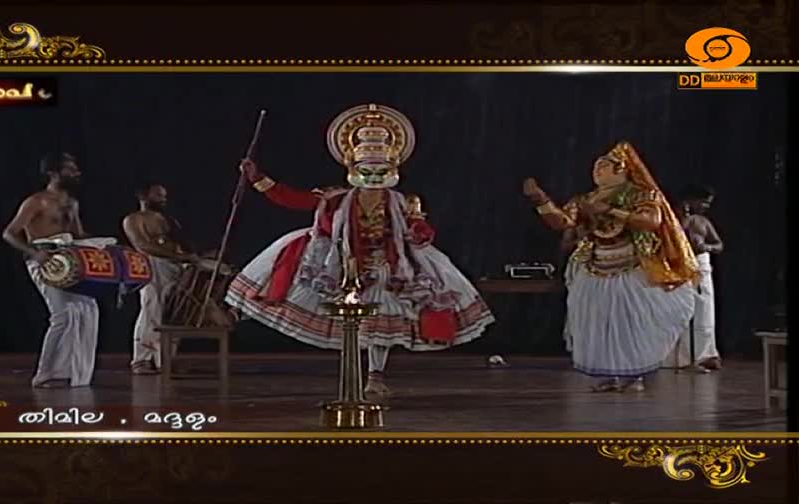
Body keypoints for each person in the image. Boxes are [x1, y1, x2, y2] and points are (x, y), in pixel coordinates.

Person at [225, 104, 495, 398]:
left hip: (387, 264)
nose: (374, 178)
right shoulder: (334, 198)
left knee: (382, 316)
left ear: (393, 170)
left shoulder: (404, 202)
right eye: (367, 171)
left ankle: (375, 375)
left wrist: (418, 233)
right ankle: (238, 314)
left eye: (381, 171)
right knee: (293, 272)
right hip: (338, 261)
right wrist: (257, 178)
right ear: (353, 169)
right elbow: (294, 199)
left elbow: (420, 228)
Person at [523, 141, 698, 392]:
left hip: (634, 267)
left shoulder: (641, 194)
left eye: (603, 165)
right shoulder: (585, 199)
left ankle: (633, 376)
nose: (596, 170)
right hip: (596, 265)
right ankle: (609, 375)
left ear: (622, 168)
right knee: (599, 322)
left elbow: (650, 221)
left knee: (632, 321)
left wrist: (611, 210)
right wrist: (540, 199)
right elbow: (563, 222)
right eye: (595, 166)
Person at [2, 152, 99, 388]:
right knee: (62, 315)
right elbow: (9, 233)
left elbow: (77, 234)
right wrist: (34, 253)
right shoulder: (37, 201)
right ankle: (45, 373)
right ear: (53, 173)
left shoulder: (72, 203)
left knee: (87, 310)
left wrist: (101, 244)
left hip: (71, 260)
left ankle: (72, 373)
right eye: (70, 169)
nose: (76, 173)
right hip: (46, 260)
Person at [122, 182, 203, 374]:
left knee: (173, 313)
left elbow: (182, 243)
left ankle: (165, 360)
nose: (163, 199)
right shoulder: (133, 219)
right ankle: (142, 360)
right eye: (158, 195)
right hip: (152, 265)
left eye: (164, 196)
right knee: (152, 309)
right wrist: (181, 257)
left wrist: (195, 257)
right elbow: (143, 245)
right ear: (143, 196)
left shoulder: (168, 220)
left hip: (174, 267)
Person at [671, 184, 724, 371]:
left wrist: (707, 247)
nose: (706, 206)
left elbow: (719, 245)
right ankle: (683, 359)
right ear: (690, 200)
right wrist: (685, 220)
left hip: (701, 266)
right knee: (683, 313)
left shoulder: (703, 222)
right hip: (680, 268)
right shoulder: (673, 219)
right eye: (703, 202)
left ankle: (705, 355)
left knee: (704, 313)